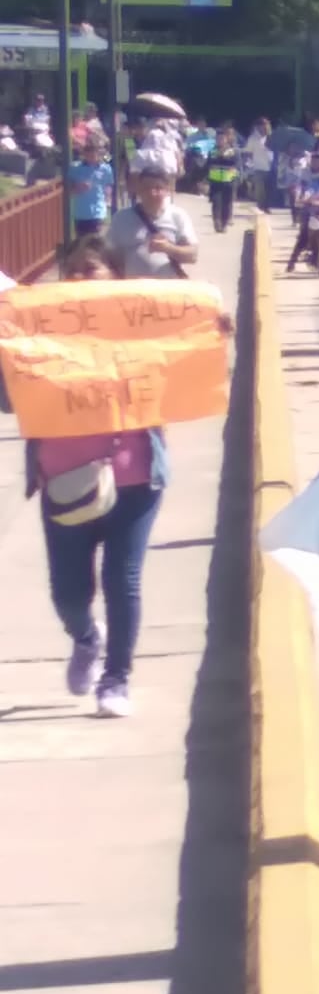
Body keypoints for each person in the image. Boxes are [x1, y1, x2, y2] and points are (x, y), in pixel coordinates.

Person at [24, 237, 174, 718]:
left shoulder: (141, 328)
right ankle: (87, 638)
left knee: (121, 579)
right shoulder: (40, 334)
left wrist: (215, 334)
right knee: (68, 593)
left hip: (134, 476)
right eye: (72, 271)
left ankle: (116, 679)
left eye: (92, 270)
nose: (81, 280)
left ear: (115, 275)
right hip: (63, 478)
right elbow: (11, 401)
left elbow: (189, 360)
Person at [105, 167, 199, 279]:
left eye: (158, 188)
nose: (152, 193)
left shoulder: (177, 216)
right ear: (138, 189)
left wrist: (168, 248)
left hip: (169, 290)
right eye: (146, 188)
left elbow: (192, 256)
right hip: (133, 290)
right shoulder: (121, 218)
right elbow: (107, 256)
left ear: (167, 190)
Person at [287, 163, 319, 274]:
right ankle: (292, 262)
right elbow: (307, 194)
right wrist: (308, 199)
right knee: (304, 238)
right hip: (313, 215)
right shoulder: (315, 185)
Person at [66, 136, 114, 236]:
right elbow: (68, 190)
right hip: (81, 213)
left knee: (95, 242)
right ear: (84, 153)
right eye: (88, 152)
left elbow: (108, 185)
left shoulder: (106, 168)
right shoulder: (75, 168)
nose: (92, 155)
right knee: (82, 242)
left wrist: (108, 197)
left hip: (98, 212)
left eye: (94, 152)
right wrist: (77, 188)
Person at [206, 129, 241, 234]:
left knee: (226, 203)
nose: (220, 140)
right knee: (216, 202)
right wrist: (204, 180)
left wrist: (237, 177)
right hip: (215, 181)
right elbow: (208, 165)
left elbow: (237, 165)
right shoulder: (212, 151)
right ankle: (216, 222)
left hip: (228, 181)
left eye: (222, 138)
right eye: (218, 139)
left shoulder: (233, 151)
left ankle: (224, 223)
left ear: (226, 139)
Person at [243, 117, 273, 208]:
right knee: (260, 190)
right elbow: (248, 152)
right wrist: (250, 165)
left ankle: (267, 207)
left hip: (271, 167)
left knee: (269, 189)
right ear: (258, 127)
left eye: (267, 125)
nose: (266, 127)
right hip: (258, 167)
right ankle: (261, 207)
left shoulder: (272, 137)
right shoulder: (253, 138)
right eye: (264, 125)